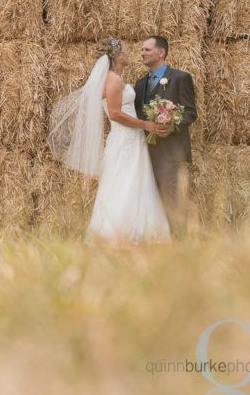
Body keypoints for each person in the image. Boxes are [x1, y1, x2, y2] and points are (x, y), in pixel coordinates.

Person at [48, 37, 171, 243]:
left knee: (133, 181)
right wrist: (146, 125)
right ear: (117, 56)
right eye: (125, 50)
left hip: (130, 138)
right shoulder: (114, 79)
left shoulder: (113, 78)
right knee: (124, 182)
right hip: (126, 138)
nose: (130, 53)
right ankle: (119, 231)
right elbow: (114, 114)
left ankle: (135, 228)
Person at [133, 36, 198, 236]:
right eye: (142, 50)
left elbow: (190, 113)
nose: (142, 53)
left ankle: (180, 242)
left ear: (161, 52)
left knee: (172, 199)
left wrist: (172, 125)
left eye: (147, 49)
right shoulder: (140, 83)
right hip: (146, 153)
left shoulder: (180, 78)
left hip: (171, 152)